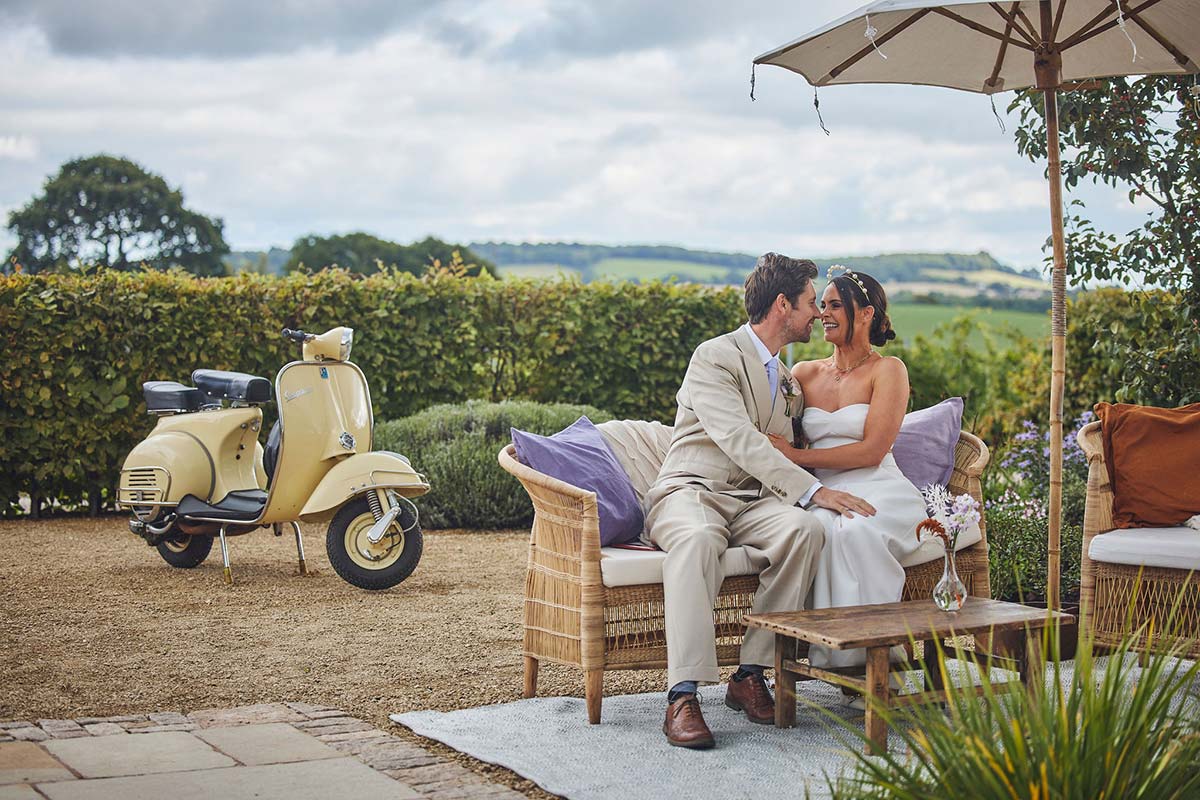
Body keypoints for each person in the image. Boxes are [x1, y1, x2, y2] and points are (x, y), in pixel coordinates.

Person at [646, 253, 876, 749]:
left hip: (752, 502)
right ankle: (681, 696)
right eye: (811, 303)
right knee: (699, 538)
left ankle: (750, 673)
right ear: (781, 305)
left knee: (805, 530)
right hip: (693, 491)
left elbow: (795, 443)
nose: (817, 313)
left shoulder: (787, 378)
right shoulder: (715, 357)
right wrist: (815, 491)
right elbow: (741, 440)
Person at [768, 266, 927, 669]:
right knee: (818, 530)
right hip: (823, 490)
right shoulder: (802, 373)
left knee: (857, 532)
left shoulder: (888, 370)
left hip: (878, 484)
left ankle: (873, 658)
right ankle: (837, 659)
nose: (824, 314)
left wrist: (795, 456)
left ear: (867, 313)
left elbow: (872, 451)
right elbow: (776, 427)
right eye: (821, 305)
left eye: (836, 305)